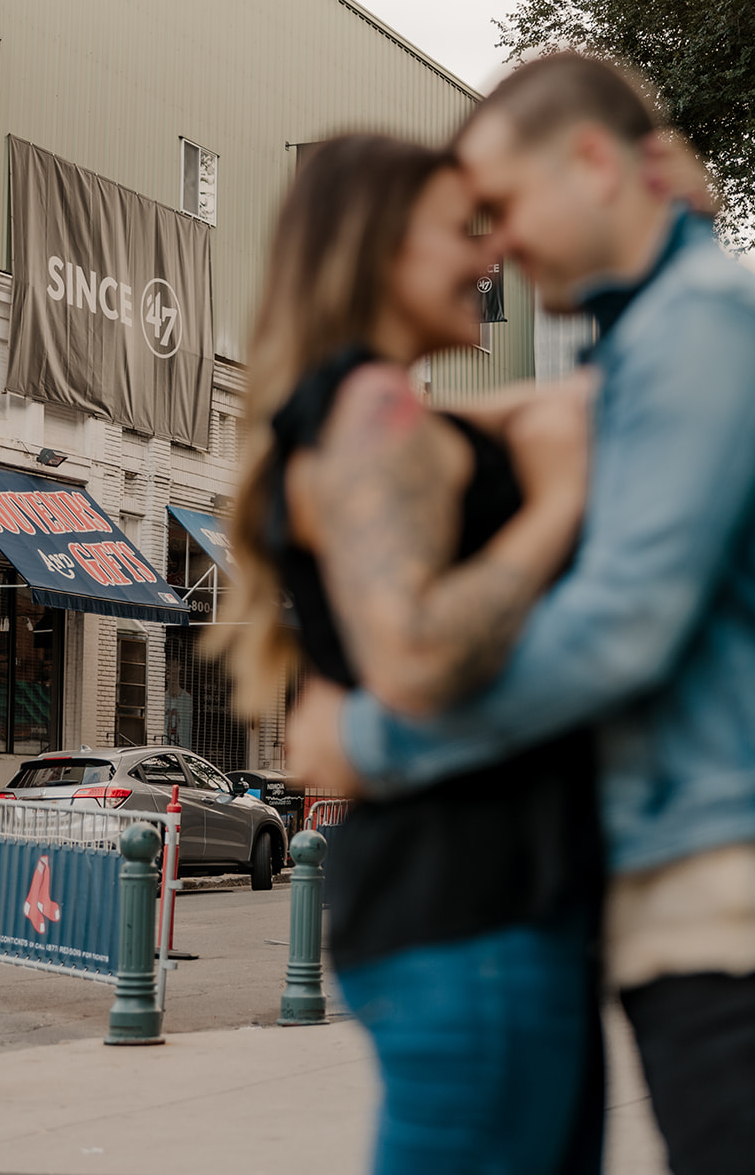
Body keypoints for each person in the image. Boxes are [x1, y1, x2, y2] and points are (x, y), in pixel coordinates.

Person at [288, 54, 755, 1175]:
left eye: (504, 207)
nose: (501, 249)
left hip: (747, 894)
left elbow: (624, 622)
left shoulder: (698, 326)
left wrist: (378, 739)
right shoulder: (659, 334)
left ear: (588, 163)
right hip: (703, 889)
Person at [217, 132, 606, 1175]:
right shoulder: (370, 411)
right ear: (382, 243)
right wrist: (558, 503)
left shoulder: (365, 406)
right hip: (471, 911)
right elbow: (418, 653)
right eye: (461, 229)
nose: (489, 256)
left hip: (468, 907)